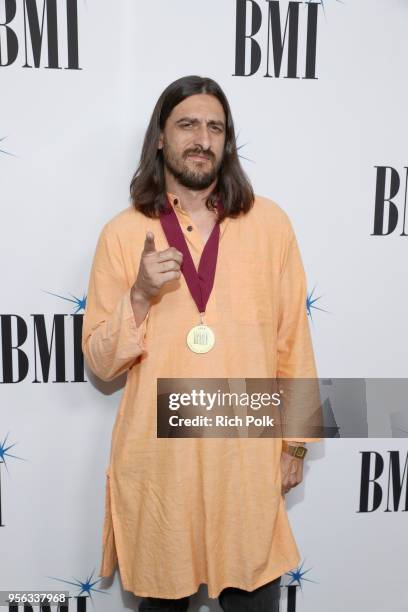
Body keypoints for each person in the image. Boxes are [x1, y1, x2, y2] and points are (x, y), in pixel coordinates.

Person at [82, 75, 321, 612]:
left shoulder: (270, 224)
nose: (202, 138)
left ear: (227, 141)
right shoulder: (122, 234)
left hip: (246, 458)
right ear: (161, 138)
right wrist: (140, 294)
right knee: (164, 598)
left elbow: (293, 340)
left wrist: (297, 442)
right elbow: (99, 361)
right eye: (187, 124)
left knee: (254, 597)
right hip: (161, 463)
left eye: (215, 127)